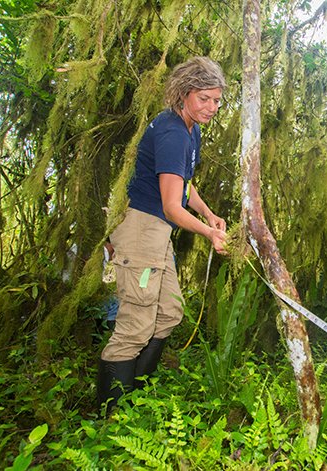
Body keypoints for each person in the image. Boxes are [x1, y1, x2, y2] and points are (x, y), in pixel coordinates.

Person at [97, 56, 228, 412]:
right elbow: (172, 206)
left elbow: (183, 184)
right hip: (142, 228)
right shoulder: (171, 131)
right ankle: (113, 419)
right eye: (204, 98)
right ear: (184, 93)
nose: (212, 107)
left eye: (217, 100)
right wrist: (209, 234)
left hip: (158, 233)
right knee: (135, 324)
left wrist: (209, 213)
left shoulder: (190, 129)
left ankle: (134, 395)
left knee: (169, 311)